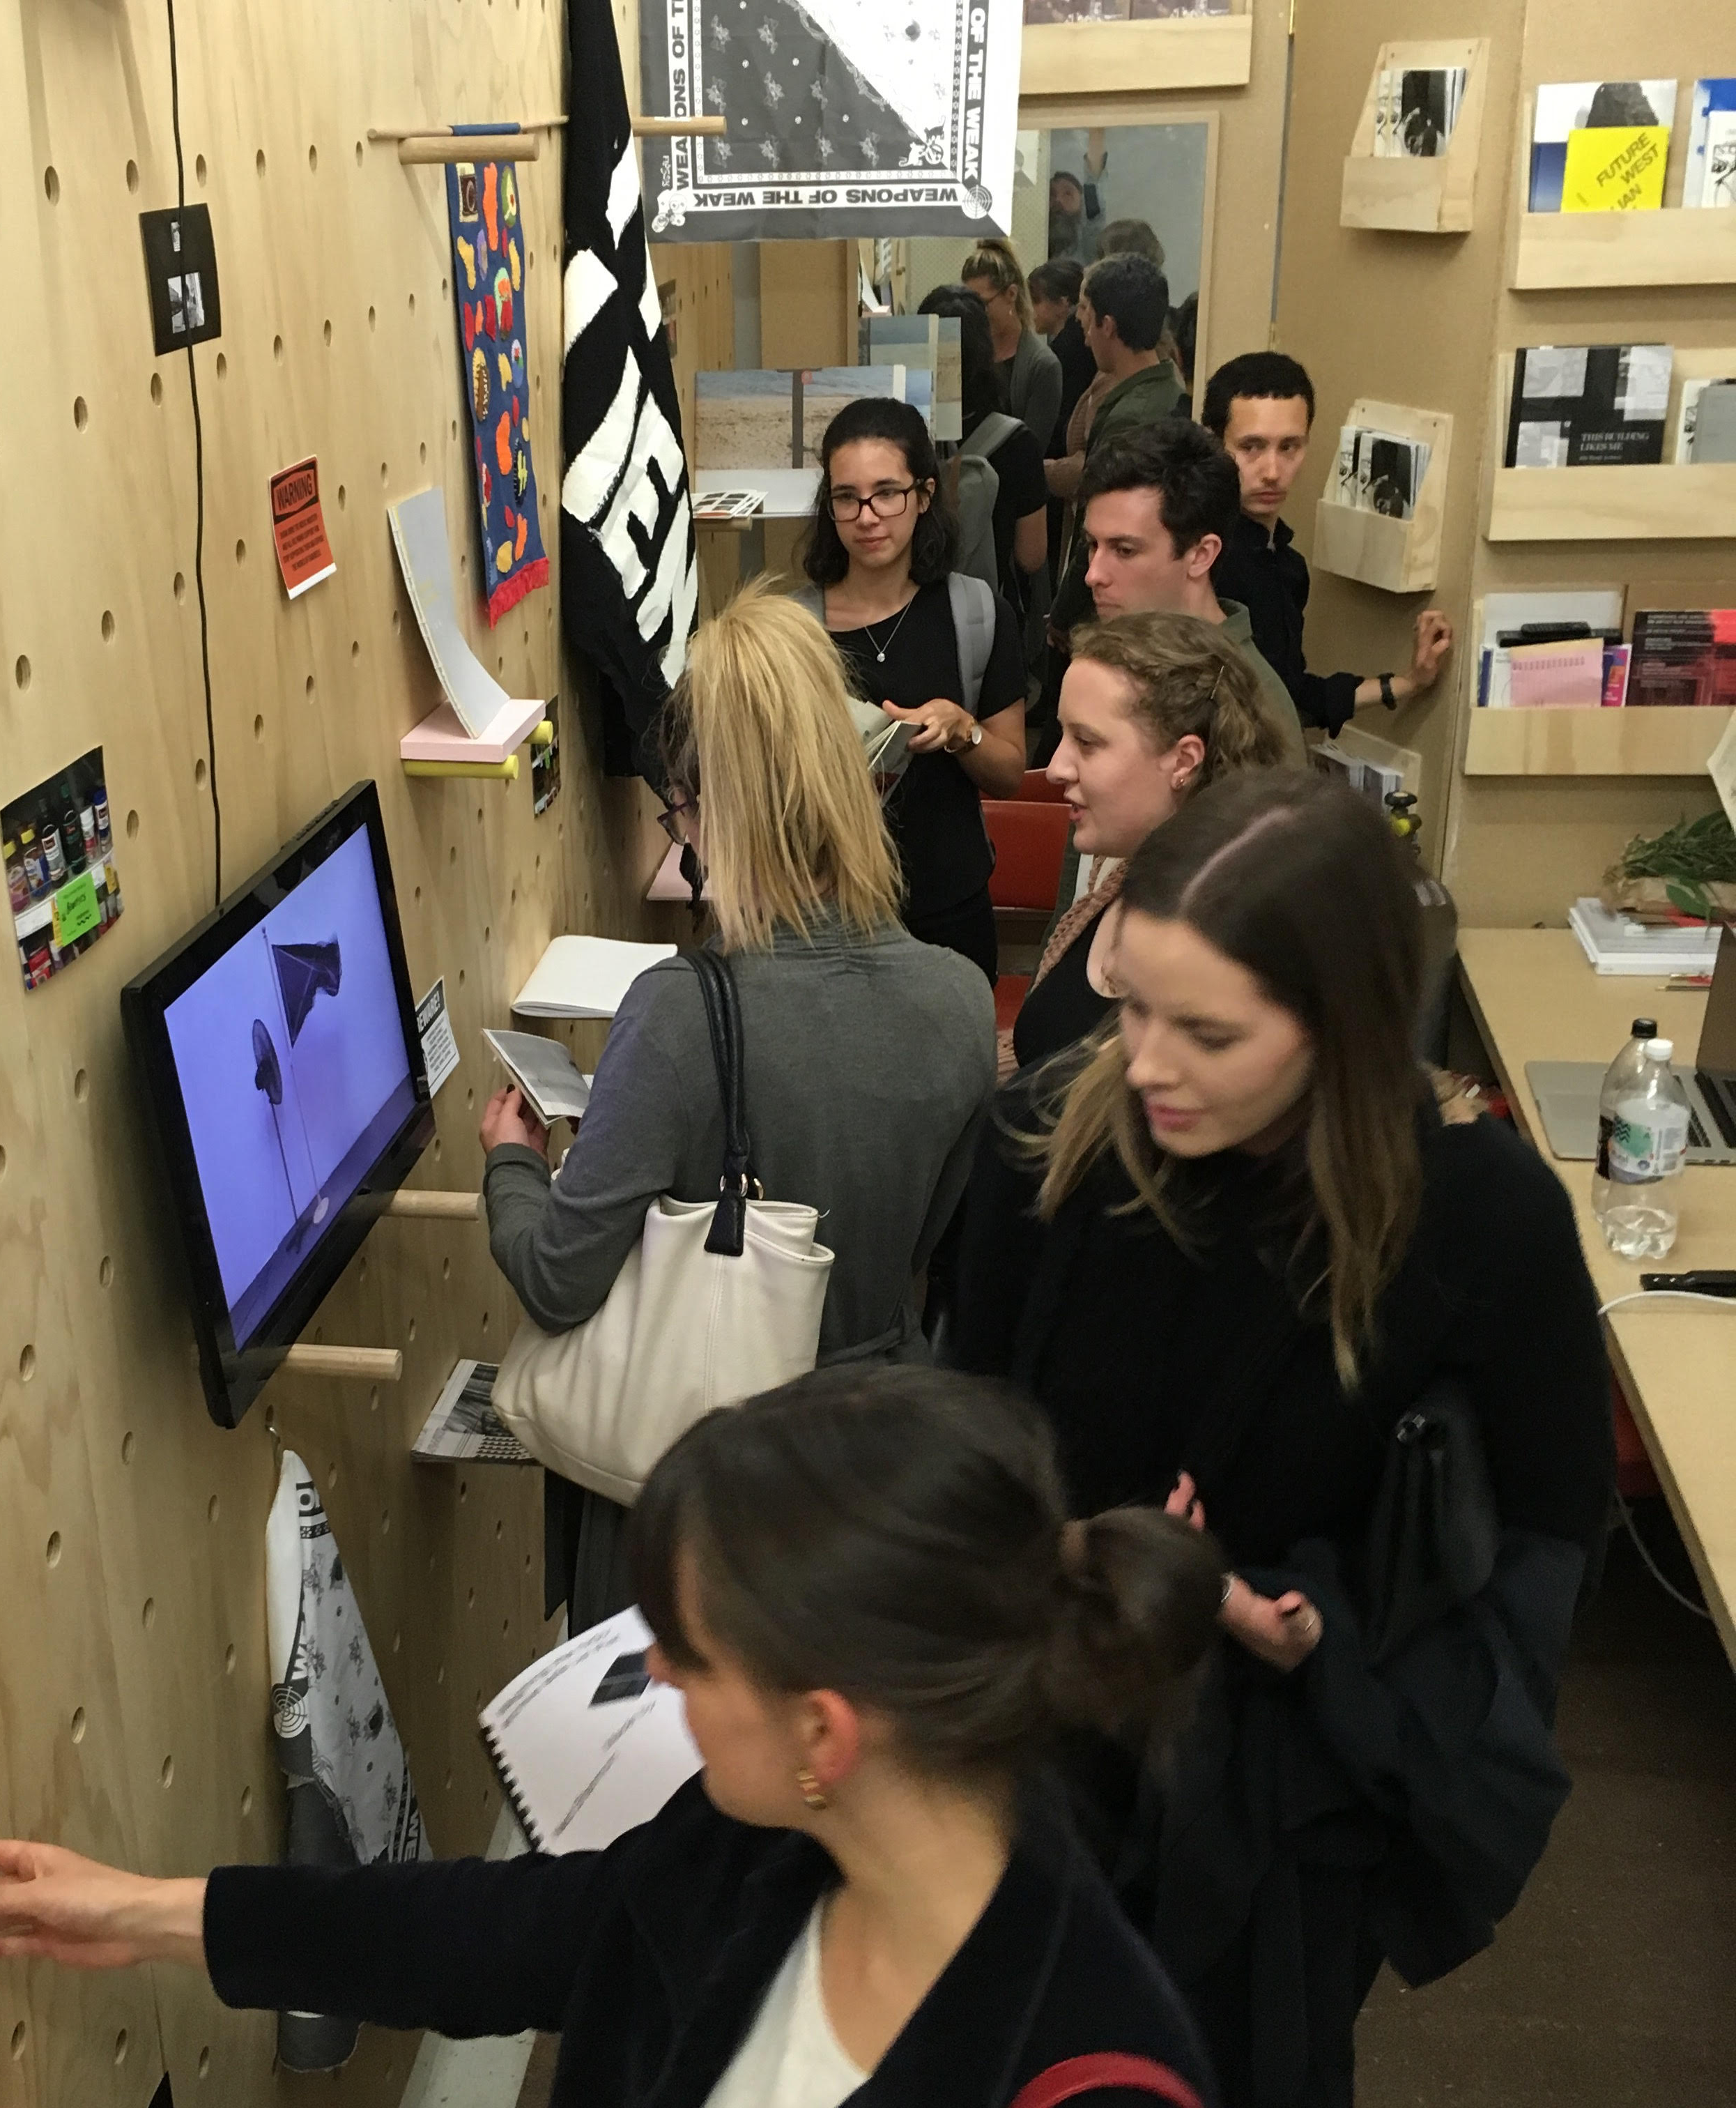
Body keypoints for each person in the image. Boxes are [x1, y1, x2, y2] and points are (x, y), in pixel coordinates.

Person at [0, 1366, 1228, 2108]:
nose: (654, 1667)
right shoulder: (765, 1841)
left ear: (823, 1730)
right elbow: (510, 1933)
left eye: (690, 1650)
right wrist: (145, 1913)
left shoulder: (1092, 2071)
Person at [953, 770, 1615, 2108]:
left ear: (1340, 1024)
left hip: (1275, 1807)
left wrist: (1315, 1639)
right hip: (1037, 1744)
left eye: (1205, 1031)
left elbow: (1544, 1538)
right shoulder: (1048, 1143)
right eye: (1130, 1002)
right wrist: (1063, 1557)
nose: (1144, 1064)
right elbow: (965, 1427)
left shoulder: (1481, 1221)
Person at [486, 580, 995, 1625]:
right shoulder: (962, 1000)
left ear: (719, 808)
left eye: (680, 811)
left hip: (700, 1493)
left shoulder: (679, 1013)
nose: (682, 839)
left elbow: (556, 1279)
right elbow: (915, 1242)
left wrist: (513, 1166)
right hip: (867, 1471)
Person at [797, 397, 1029, 979]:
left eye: (887, 493)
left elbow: (1009, 773)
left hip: (950, 909)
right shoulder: (794, 630)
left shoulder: (975, 612)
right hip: (828, 917)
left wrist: (963, 731)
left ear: (924, 495)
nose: (867, 517)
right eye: (846, 498)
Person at [1008, 612, 1290, 1076]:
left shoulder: (1220, 942)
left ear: (1183, 761)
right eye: (1062, 735)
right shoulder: (1123, 882)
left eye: (1087, 742)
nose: (1056, 768)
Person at [1202, 352, 1454, 735]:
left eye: (1289, 447)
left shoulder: (1287, 566)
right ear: (1215, 444)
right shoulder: (1200, 561)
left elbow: (1291, 697)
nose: (1272, 471)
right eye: (1251, 447)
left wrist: (1409, 682)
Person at [1043, 422, 1306, 765]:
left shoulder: (1251, 705)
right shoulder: (1118, 654)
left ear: (1201, 555)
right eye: (1093, 545)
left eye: (1124, 550)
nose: (1093, 575)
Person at [916, 284, 1050, 639]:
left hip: (912, 616)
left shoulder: (902, 440)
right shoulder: (1018, 442)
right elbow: (1032, 556)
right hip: (988, 621)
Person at [1045, 254, 1183, 527]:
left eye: (1087, 311)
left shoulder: (1130, 418)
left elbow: (1112, 518)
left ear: (1107, 326)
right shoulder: (1165, 387)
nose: (1082, 325)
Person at [960, 235, 1064, 450]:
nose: (975, 314)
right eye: (970, 304)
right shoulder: (968, 353)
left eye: (983, 304)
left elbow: (1032, 450)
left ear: (1011, 294)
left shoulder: (1042, 366)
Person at [1029, 259, 1096, 454]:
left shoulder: (1068, 351)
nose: (1030, 309)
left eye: (1036, 301)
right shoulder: (1073, 344)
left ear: (1062, 303)